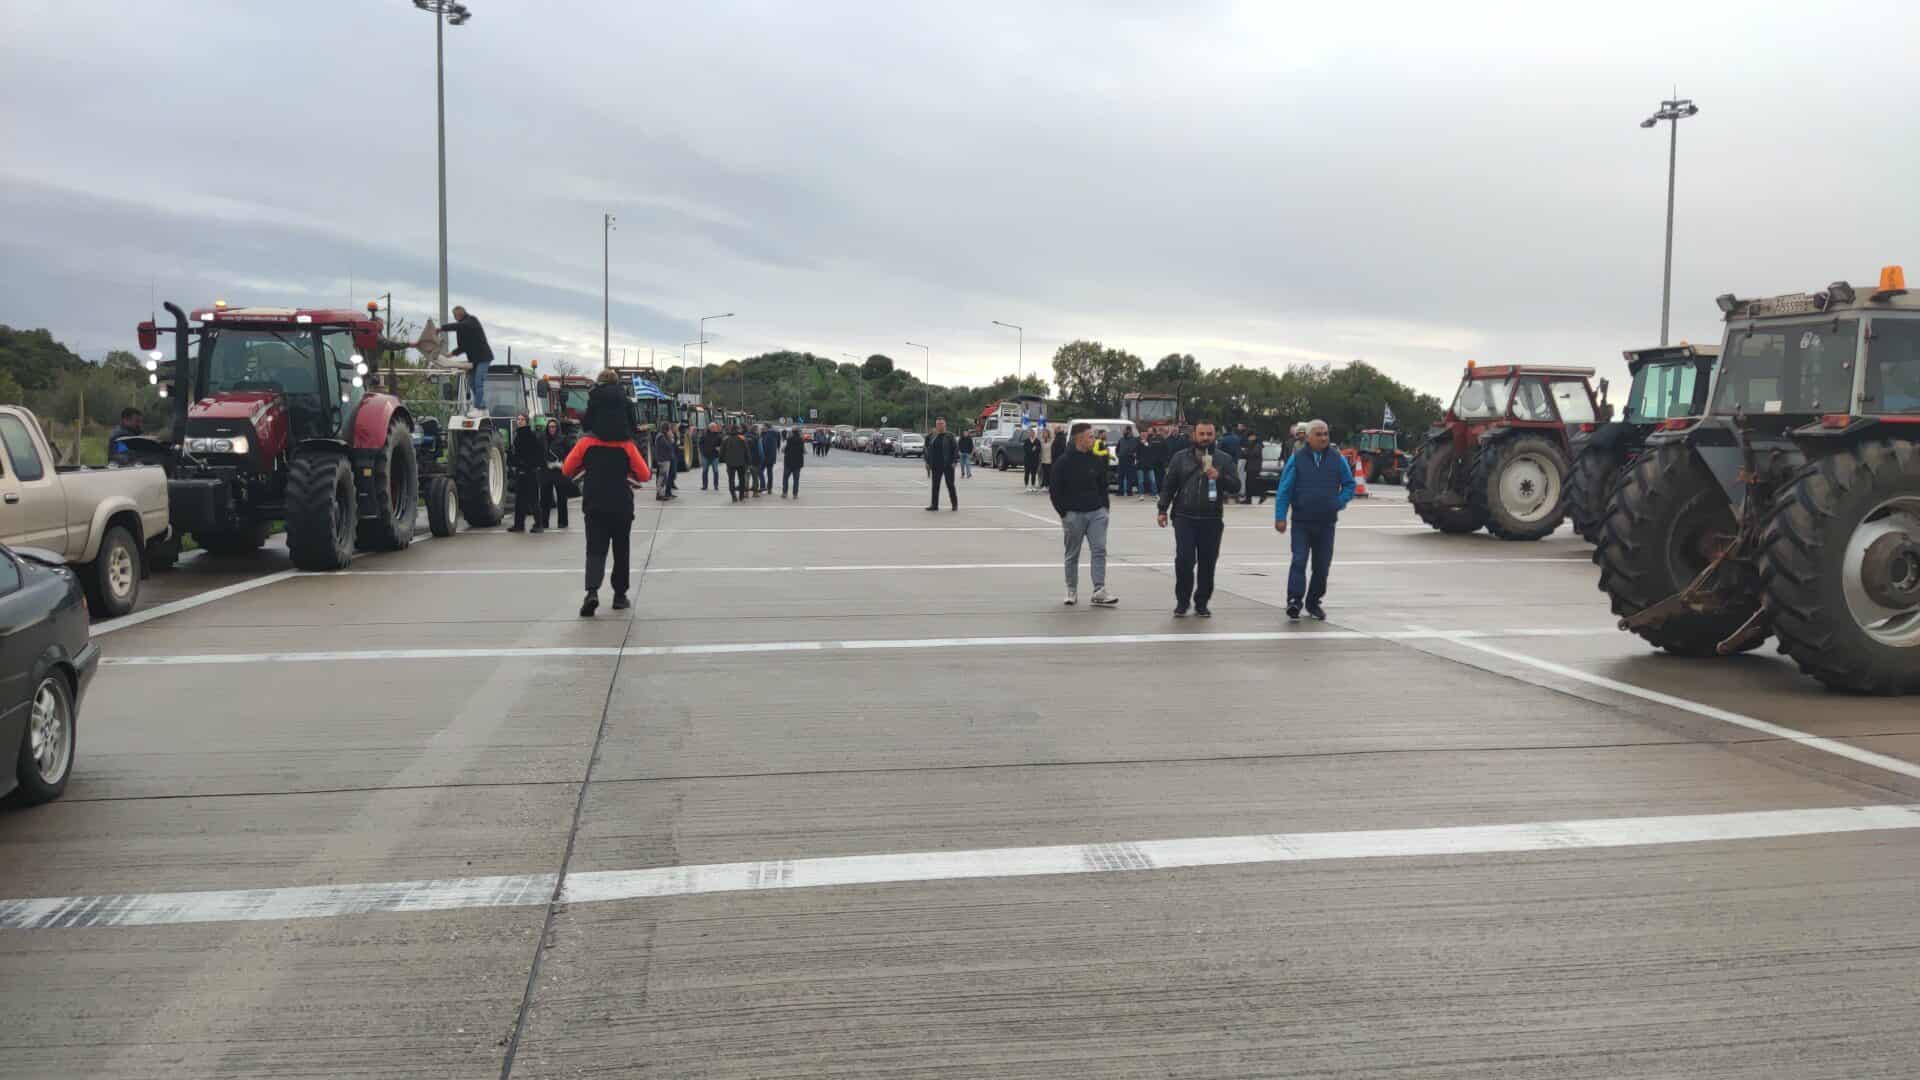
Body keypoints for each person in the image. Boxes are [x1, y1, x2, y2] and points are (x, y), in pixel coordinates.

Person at [560, 420, 651, 617]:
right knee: (621, 550)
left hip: (595, 505)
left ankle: (592, 592)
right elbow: (644, 474)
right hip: (621, 506)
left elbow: (566, 469)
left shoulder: (585, 443)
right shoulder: (627, 445)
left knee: (595, 549)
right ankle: (620, 596)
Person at [1273, 419, 1356, 621]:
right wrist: (1280, 516)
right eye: (1318, 434)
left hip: (1326, 523)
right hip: (1302, 522)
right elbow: (1284, 489)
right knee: (1299, 560)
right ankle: (1294, 601)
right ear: (1308, 437)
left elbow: (1349, 485)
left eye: (1326, 434)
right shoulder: (1297, 459)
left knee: (1322, 566)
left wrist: (1338, 502)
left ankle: (1313, 602)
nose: (1323, 438)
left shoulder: (1337, 459)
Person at [1156, 420, 1239, 617]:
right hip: (1185, 516)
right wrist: (1162, 509)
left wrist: (1219, 477)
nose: (1205, 438)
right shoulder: (1180, 458)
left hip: (1212, 518)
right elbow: (1169, 485)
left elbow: (1236, 486)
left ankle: (1202, 602)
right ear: (1194, 435)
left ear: (1215, 435)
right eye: (1201, 434)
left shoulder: (1224, 459)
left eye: (1209, 434)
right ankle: (1182, 601)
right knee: (1184, 560)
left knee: (1207, 562)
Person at [1050, 423, 1117, 607]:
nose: (1093, 440)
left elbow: (1103, 485)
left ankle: (1099, 590)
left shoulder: (1096, 459)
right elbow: (1055, 490)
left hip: (1097, 513)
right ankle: (1071, 590)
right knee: (1072, 554)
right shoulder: (1063, 462)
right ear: (1079, 438)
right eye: (1090, 436)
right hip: (1074, 515)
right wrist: (1064, 513)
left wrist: (1105, 509)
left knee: (1099, 550)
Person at [444, 305, 493, 417]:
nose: (455, 317)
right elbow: (463, 347)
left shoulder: (471, 321)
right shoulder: (461, 328)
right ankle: (483, 407)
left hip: (483, 358)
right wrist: (450, 354)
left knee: (478, 382)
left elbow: (459, 326)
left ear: (460, 314)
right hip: (474, 360)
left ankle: (478, 408)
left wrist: (442, 328)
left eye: (455, 315)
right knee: (471, 382)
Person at [507, 413, 546, 533]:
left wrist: (528, 464)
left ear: (527, 421)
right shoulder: (517, 436)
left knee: (533, 499)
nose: (519, 421)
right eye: (518, 419)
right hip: (520, 472)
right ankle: (519, 525)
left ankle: (539, 524)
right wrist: (513, 461)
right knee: (520, 500)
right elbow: (516, 454)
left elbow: (538, 453)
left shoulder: (531, 436)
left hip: (530, 472)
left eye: (522, 419)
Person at [542, 418, 575, 528]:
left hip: (559, 471)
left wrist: (562, 463)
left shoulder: (563, 439)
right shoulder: (544, 439)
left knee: (561, 497)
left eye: (553, 427)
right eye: (550, 427)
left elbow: (570, 454)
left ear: (557, 428)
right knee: (545, 498)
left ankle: (563, 522)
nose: (551, 429)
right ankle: (544, 522)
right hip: (547, 471)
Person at [584, 369, 631, 441]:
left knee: (581, 444)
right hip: (622, 436)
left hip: (599, 436)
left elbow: (588, 418)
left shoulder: (594, 394)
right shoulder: (624, 394)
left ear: (600, 379)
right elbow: (631, 417)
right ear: (616, 380)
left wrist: (586, 428)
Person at [925, 418, 960, 511]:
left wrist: (955, 461)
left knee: (950, 485)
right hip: (935, 465)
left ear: (945, 425)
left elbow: (955, 449)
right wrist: (927, 462)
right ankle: (934, 505)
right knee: (935, 486)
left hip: (948, 465)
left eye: (941, 424)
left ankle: (954, 504)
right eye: (938, 424)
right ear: (936, 425)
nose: (940, 425)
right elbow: (927, 449)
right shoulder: (932, 436)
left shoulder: (950, 436)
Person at [721, 424, 751, 501]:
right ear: (738, 430)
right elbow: (747, 451)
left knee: (731, 480)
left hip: (730, 463)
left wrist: (723, 460)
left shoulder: (726, 439)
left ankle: (733, 496)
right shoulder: (742, 438)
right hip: (741, 463)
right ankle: (741, 496)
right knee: (742, 479)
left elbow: (722, 451)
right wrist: (748, 462)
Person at [653, 424, 681, 502]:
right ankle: (660, 494)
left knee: (663, 478)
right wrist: (671, 439)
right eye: (669, 429)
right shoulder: (661, 437)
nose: (670, 431)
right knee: (662, 478)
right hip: (663, 460)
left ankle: (662, 494)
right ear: (666, 429)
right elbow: (667, 446)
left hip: (665, 459)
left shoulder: (662, 436)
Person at [1241, 430, 1265, 505]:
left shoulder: (1257, 444)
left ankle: (1262, 495)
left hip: (1254, 467)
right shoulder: (1252, 444)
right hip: (1251, 466)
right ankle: (1248, 499)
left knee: (1253, 483)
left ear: (1253, 436)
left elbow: (1255, 453)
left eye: (1249, 437)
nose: (1248, 439)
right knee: (1249, 483)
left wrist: (1246, 451)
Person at [1116, 427, 1141, 499]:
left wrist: (1133, 455)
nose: (1124, 432)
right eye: (1124, 431)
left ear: (1129, 431)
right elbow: (1117, 449)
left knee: (1129, 477)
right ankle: (1120, 491)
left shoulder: (1134, 440)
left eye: (1125, 430)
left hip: (1130, 460)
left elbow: (1136, 449)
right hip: (1122, 460)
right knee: (1121, 476)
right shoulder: (1121, 439)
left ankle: (1129, 491)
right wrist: (1118, 455)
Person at [782, 426, 807, 497]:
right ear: (799, 432)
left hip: (788, 462)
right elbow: (804, 451)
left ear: (792, 432)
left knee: (785, 478)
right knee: (796, 479)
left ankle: (785, 493)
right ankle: (795, 494)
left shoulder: (789, 440)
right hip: (798, 463)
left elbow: (784, 450)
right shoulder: (801, 440)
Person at [699, 422, 724, 491]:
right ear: (709, 428)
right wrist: (702, 451)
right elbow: (700, 444)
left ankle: (716, 485)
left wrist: (719, 448)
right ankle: (704, 485)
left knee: (715, 471)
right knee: (705, 471)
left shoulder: (719, 436)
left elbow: (722, 444)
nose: (714, 428)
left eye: (715, 427)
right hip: (705, 455)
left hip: (715, 456)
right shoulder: (704, 435)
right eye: (713, 427)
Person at [1139, 432, 1165, 497]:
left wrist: (1145, 443)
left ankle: (1155, 493)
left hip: (1149, 465)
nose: (1143, 436)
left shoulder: (1150, 442)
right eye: (1142, 435)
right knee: (1141, 481)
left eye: (1145, 435)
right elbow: (1135, 451)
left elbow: (1150, 448)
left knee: (1153, 480)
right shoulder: (1138, 442)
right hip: (1140, 465)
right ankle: (1141, 494)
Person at [758, 424, 780, 494]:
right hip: (772, 457)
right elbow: (777, 445)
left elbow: (765, 447)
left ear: (766, 427)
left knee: (760, 470)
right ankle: (769, 488)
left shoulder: (768, 435)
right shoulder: (772, 434)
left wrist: (763, 456)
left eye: (763, 427)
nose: (761, 428)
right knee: (769, 472)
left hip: (765, 457)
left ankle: (763, 486)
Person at [1038, 423, 1056, 490]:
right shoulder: (1041, 441)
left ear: (1048, 434)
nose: (1045, 434)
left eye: (1046, 433)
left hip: (1050, 460)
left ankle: (1049, 485)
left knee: (1049, 473)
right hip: (1043, 460)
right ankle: (1044, 485)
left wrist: (1051, 427)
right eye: (1044, 433)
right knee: (1044, 473)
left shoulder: (1051, 441)